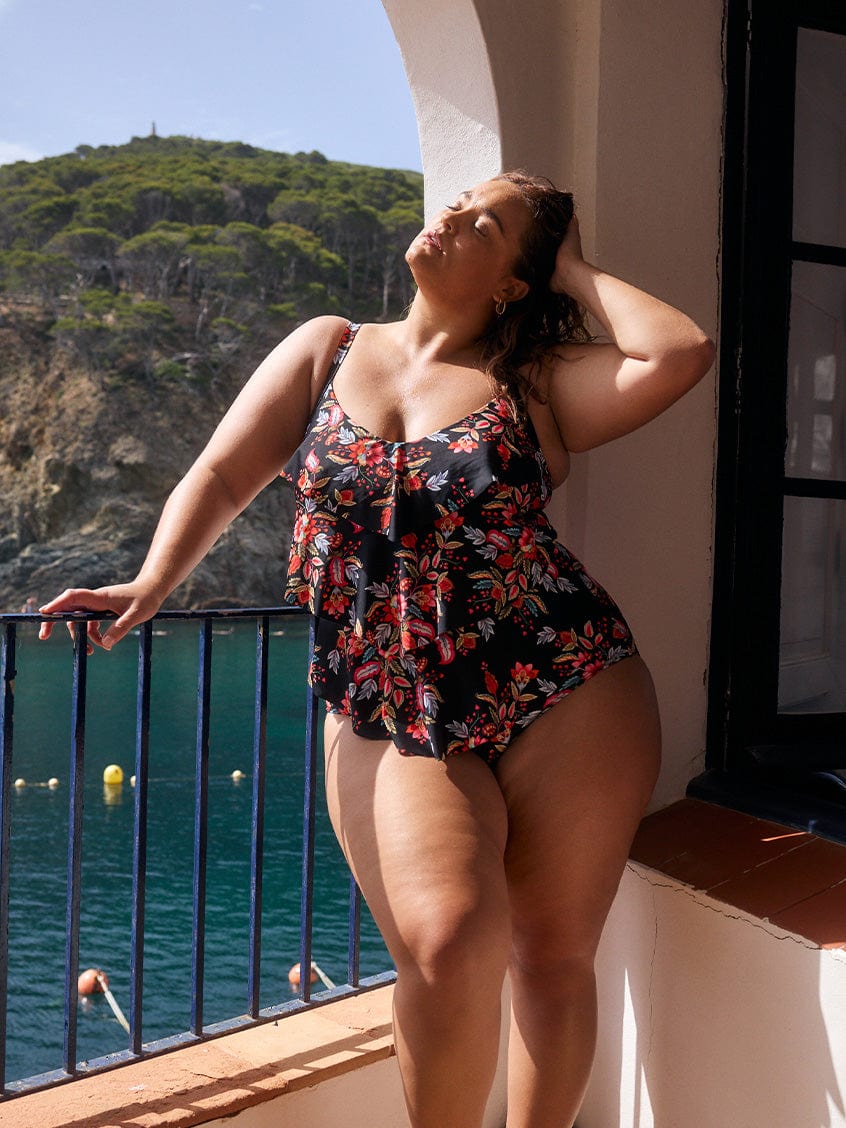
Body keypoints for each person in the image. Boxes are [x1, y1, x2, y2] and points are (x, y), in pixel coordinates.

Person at [39, 172, 714, 1128]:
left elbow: (678, 353)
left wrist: (572, 268)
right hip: (391, 698)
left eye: (486, 225)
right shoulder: (330, 348)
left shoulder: (535, 382)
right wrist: (152, 582)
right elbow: (226, 471)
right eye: (458, 202)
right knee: (445, 945)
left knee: (552, 957)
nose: (452, 218)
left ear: (515, 282)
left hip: (567, 683)